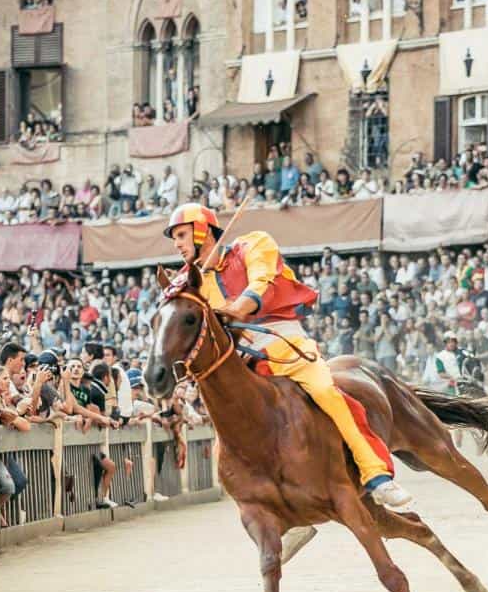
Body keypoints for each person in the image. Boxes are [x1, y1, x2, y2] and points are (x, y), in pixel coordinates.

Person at [163, 203, 412, 508]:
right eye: (175, 238)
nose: (176, 244)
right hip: (242, 359)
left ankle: (376, 475)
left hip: (283, 339)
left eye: (181, 235)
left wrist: (238, 307)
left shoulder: (254, 244)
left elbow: (260, 281)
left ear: (202, 230)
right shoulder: (191, 281)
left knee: (325, 392)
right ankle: (280, 511)